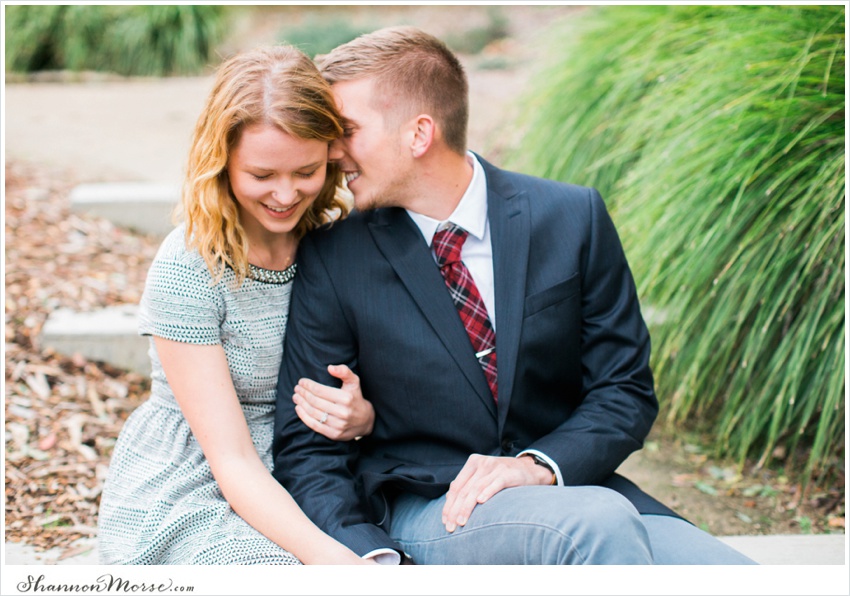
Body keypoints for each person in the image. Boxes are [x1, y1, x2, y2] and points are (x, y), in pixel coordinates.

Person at [272, 27, 755, 565]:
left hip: (574, 492)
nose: (333, 151)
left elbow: (624, 390)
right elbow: (307, 448)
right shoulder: (334, 259)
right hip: (432, 508)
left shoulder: (574, 218)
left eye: (348, 130)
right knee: (596, 525)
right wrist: (370, 557)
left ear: (418, 134)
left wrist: (538, 466)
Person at [97, 45, 377, 565]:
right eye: (262, 175)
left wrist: (361, 417)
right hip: (200, 480)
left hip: (316, 468)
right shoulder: (191, 266)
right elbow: (233, 461)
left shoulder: (337, 246)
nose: (286, 194)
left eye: (306, 171)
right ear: (221, 161)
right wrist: (335, 564)